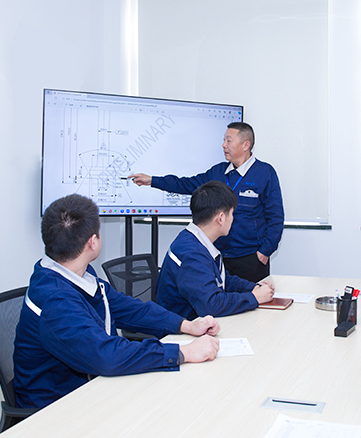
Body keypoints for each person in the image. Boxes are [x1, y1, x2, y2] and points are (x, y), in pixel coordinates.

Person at [13, 194, 221, 409]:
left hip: (94, 387)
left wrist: (186, 325)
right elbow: (105, 355)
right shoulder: (55, 299)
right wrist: (184, 352)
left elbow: (128, 309)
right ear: (93, 242)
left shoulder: (77, 273)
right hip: (57, 408)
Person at [130, 122, 284, 283]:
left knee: (254, 297)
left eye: (229, 140)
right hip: (218, 256)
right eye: (224, 140)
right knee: (217, 297)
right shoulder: (218, 172)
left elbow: (276, 217)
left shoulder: (265, 173)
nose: (224, 145)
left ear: (246, 145)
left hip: (250, 258)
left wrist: (264, 252)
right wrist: (153, 181)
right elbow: (186, 184)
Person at [155, 181, 275, 319]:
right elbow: (211, 305)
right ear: (221, 218)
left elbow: (222, 280)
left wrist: (253, 288)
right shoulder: (193, 254)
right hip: (183, 328)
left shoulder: (195, 240)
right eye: (232, 214)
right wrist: (254, 298)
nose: (233, 219)